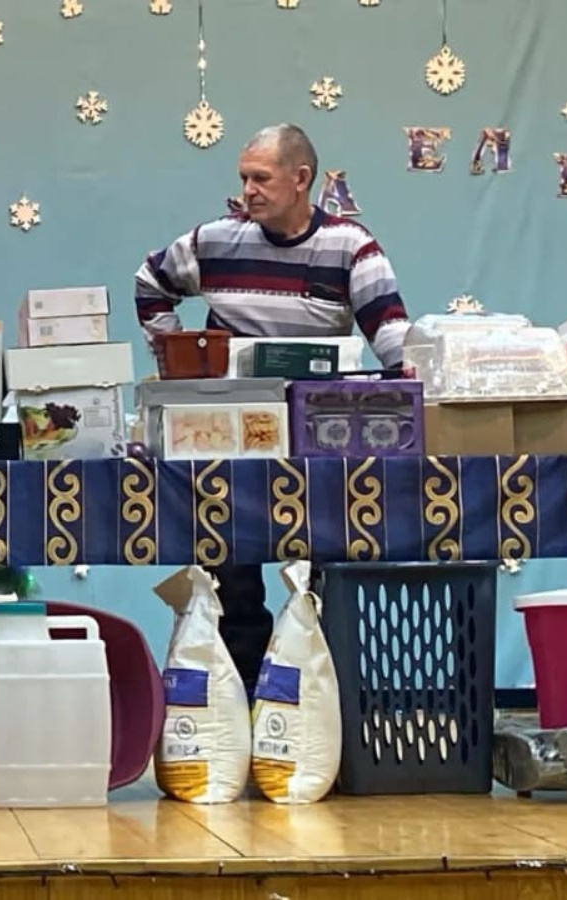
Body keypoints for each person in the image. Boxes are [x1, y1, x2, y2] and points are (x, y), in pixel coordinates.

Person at [132, 123, 411, 694]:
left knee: (322, 580)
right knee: (232, 581)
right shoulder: (214, 242)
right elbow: (149, 283)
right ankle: (242, 702)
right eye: (244, 178)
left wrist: (412, 380)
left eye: (260, 178)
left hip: (318, 442)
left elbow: (390, 332)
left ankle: (321, 701)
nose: (248, 191)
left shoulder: (351, 247)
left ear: (301, 178)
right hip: (229, 441)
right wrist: (179, 356)